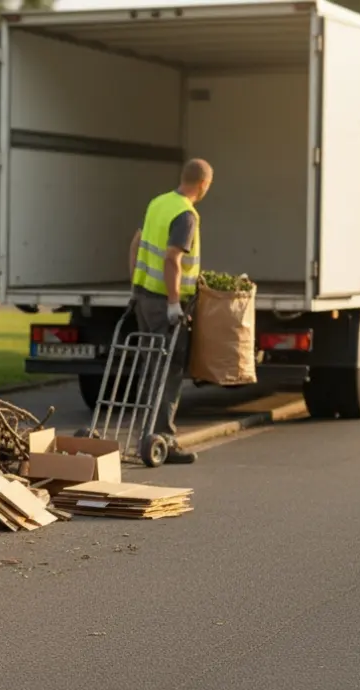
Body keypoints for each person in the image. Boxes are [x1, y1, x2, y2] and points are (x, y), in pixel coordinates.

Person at [126, 158, 213, 465]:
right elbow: (172, 258)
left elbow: (135, 244)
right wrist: (175, 303)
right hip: (165, 303)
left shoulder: (158, 203)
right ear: (203, 184)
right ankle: (163, 438)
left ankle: (146, 434)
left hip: (144, 298)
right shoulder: (186, 214)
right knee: (169, 370)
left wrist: (135, 286)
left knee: (152, 367)